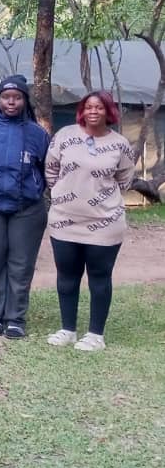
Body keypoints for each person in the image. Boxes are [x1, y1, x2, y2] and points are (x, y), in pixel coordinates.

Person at [45, 90, 136, 352]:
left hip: (105, 222)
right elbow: (51, 169)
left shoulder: (119, 144)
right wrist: (64, 194)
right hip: (65, 220)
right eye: (88, 107)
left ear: (109, 111)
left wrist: (98, 196)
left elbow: (124, 179)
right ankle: (68, 330)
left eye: (99, 107)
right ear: (82, 111)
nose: (93, 112)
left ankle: (96, 335)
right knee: (67, 276)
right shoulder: (64, 136)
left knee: (99, 277)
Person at [0, 75, 50, 338]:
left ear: (25, 101)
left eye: (17, 97)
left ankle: (15, 318)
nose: (11, 102)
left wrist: (33, 190)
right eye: (6, 97)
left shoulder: (38, 133)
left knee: (21, 264)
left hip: (27, 209)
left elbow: (45, 169)